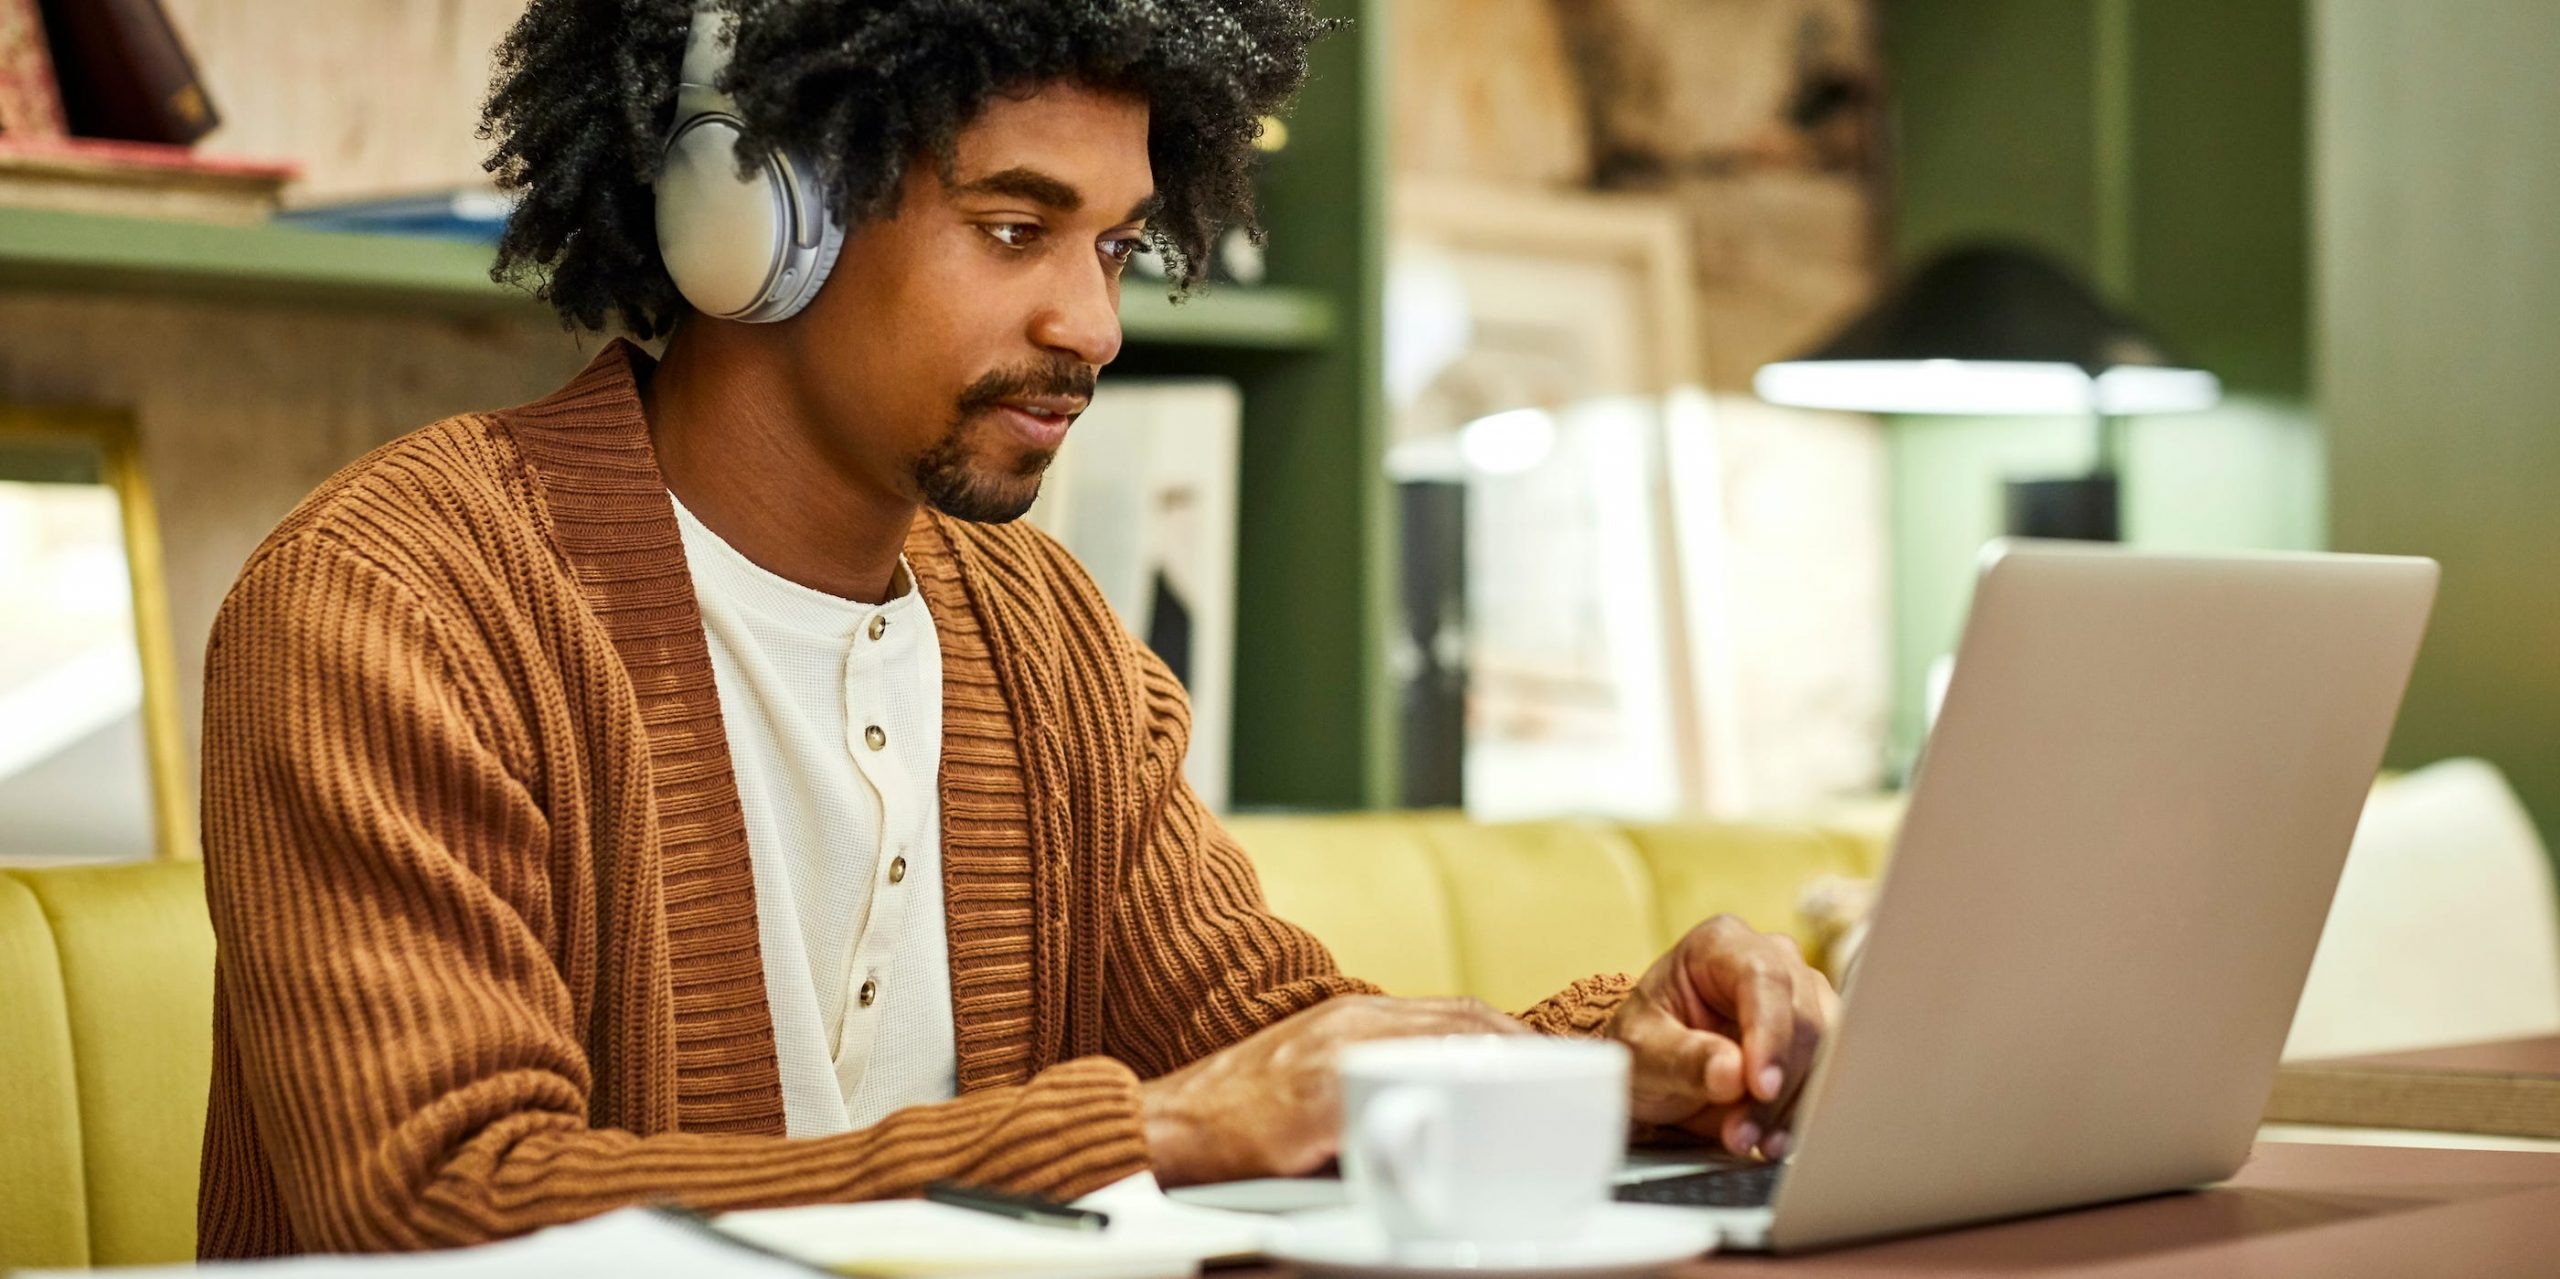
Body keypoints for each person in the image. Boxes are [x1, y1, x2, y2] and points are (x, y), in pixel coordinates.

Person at [195, 0, 1837, 1258]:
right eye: (1013, 228)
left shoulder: (1036, 632)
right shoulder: (400, 601)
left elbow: (1269, 1047)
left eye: (1117, 244)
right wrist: (1152, 1135)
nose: (1094, 323)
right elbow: (436, 1208)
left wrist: (1619, 1062)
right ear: (751, 218)